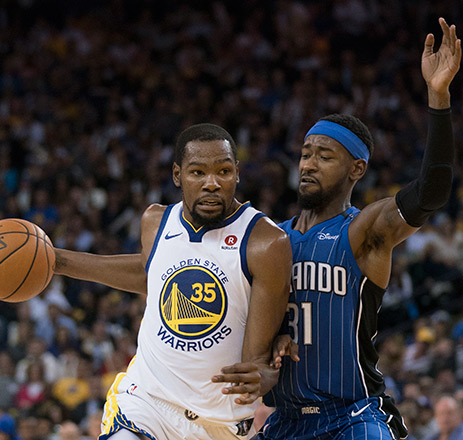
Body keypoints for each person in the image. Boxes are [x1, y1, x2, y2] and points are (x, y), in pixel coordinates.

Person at [255, 17, 462, 439]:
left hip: (351, 416)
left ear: (357, 168)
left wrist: (438, 97)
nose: (309, 163)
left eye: (324, 156)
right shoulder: (270, 238)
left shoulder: (363, 231)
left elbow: (431, 191)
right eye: (305, 153)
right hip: (286, 422)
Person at [52, 123, 292, 440]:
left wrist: (264, 374)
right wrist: (57, 261)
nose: (212, 183)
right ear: (177, 175)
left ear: (237, 173)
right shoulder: (156, 221)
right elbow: (150, 273)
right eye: (198, 173)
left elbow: (259, 359)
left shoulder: (266, 242)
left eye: (223, 171)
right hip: (147, 403)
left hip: (220, 425)